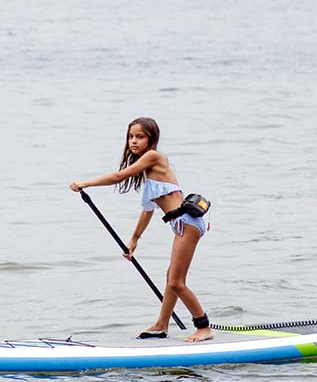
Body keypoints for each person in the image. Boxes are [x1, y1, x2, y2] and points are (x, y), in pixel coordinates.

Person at [69, 116, 213, 342]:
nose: (133, 141)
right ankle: (161, 324)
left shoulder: (153, 157)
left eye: (140, 137)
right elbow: (148, 210)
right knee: (171, 278)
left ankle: (203, 327)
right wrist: (134, 239)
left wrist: (86, 183)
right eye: (130, 137)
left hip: (188, 224)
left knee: (176, 282)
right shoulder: (149, 171)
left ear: (151, 139)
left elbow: (119, 176)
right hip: (182, 225)